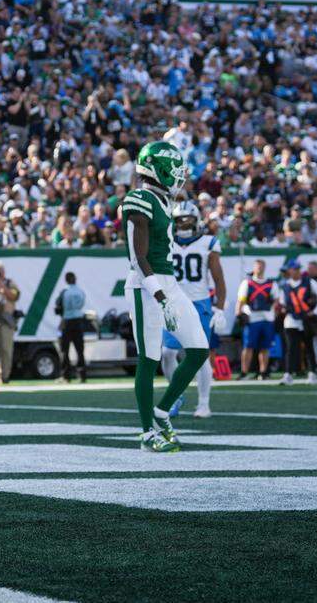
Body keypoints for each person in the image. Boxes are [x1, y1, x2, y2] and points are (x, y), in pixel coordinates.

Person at [122, 140, 209, 454]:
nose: (178, 176)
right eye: (173, 170)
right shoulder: (139, 199)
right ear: (157, 170)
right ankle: (146, 433)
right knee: (149, 358)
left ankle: (161, 413)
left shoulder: (161, 201)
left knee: (199, 349)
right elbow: (137, 257)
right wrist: (159, 295)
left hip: (170, 284)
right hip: (146, 285)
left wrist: (168, 293)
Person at [161, 201, 227, 418]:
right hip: (173, 303)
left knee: (199, 355)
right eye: (180, 220)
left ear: (196, 220)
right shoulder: (167, 242)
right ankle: (176, 394)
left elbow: (218, 278)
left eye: (187, 219)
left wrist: (219, 308)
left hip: (199, 303)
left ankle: (204, 403)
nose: (183, 223)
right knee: (167, 354)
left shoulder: (208, 242)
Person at [276, 259, 317, 385]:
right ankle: (288, 374)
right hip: (291, 320)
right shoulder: (285, 285)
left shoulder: (309, 282)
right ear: (289, 270)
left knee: (309, 347)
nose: (296, 271)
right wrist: (282, 308)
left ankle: (312, 373)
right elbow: (282, 302)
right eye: (294, 269)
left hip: (306, 320)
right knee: (290, 348)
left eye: (298, 269)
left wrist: (315, 311)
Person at [236, 259, 275, 380]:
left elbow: (276, 300)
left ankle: (263, 372)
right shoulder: (247, 283)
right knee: (248, 346)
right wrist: (238, 313)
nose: (260, 269)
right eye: (258, 266)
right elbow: (241, 300)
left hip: (267, 318)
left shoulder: (271, 283)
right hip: (252, 318)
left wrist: (274, 313)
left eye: (262, 266)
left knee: (265, 347)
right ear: (254, 268)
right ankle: (244, 372)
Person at [54, 272, 88, 383]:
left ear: (66, 280)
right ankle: (82, 375)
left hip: (67, 321)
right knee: (80, 350)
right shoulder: (81, 291)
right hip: (78, 321)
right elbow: (82, 303)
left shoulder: (64, 291)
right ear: (75, 279)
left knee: (64, 350)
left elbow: (57, 307)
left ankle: (66, 376)